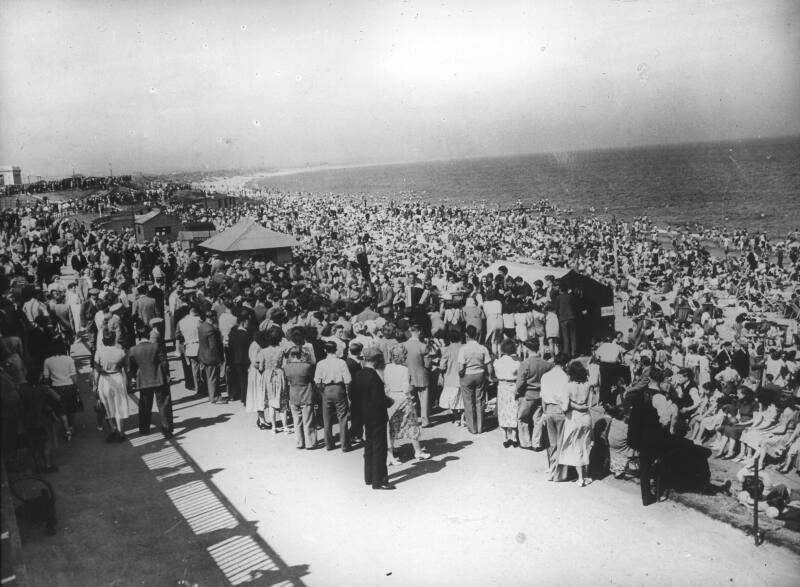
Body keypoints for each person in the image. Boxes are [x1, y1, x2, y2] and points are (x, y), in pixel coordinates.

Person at [353, 347, 395, 490]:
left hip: (364, 415)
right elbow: (378, 400)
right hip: (377, 416)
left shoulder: (358, 375)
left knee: (369, 446)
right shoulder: (374, 377)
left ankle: (369, 477)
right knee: (379, 447)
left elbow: (354, 397)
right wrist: (389, 401)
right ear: (377, 360)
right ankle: (380, 480)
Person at [384, 345, 430, 463]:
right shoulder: (405, 369)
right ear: (403, 356)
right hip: (403, 398)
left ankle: (390, 453)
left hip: (390, 397)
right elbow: (406, 387)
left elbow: (386, 385)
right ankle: (418, 451)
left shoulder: (387, 368)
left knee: (391, 426)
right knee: (411, 425)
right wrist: (410, 389)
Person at [128, 326, 173, 438]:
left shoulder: (133, 349)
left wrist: (134, 377)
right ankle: (167, 429)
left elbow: (130, 368)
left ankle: (144, 429)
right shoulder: (156, 346)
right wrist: (167, 375)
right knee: (163, 405)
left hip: (143, 381)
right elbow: (164, 362)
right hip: (159, 379)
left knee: (144, 405)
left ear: (138, 336)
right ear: (149, 335)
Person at [558, 360, 593, 486]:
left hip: (574, 418)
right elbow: (590, 404)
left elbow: (565, 406)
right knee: (586, 445)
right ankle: (587, 474)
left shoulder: (568, 386)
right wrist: (581, 406)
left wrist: (573, 405)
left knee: (576, 447)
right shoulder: (588, 385)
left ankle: (580, 477)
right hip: (586, 417)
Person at [313, 340, 352, 451]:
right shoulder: (341, 362)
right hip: (339, 388)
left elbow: (317, 380)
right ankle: (345, 445)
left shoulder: (321, 363)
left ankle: (329, 444)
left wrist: (322, 391)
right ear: (336, 350)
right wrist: (347, 391)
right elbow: (348, 380)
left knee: (327, 418)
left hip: (326, 389)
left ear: (325, 350)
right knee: (343, 417)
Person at [282, 331, 317, 449]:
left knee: (297, 421)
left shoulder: (287, 367)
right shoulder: (307, 366)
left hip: (293, 394)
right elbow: (312, 377)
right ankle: (310, 442)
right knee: (308, 420)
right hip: (306, 394)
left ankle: (299, 442)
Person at [93, 330, 130, 442]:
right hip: (118, 378)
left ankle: (113, 430)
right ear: (114, 339)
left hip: (104, 380)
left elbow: (96, 370)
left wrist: (95, 384)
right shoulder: (121, 352)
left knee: (107, 406)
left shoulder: (99, 352)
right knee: (119, 406)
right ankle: (121, 432)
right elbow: (127, 369)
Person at [515, 338, 551, 450]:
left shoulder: (525, 363)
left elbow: (520, 382)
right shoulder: (546, 364)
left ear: (527, 348)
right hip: (540, 395)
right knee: (538, 420)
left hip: (527, 395)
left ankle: (526, 443)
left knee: (522, 418)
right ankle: (537, 443)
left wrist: (516, 393)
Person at [457, 325, 492, 434]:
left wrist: (461, 374)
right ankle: (480, 427)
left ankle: (472, 428)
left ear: (466, 335)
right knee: (480, 400)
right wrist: (489, 376)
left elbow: (461, 367)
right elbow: (489, 366)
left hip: (467, 375)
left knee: (468, 402)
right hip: (480, 375)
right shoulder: (482, 348)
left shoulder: (463, 349)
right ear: (476, 334)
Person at [540, 353, 570, 481]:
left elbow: (542, 396)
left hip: (549, 409)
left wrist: (544, 412)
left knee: (552, 443)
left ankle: (552, 469)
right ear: (566, 364)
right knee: (561, 442)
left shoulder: (545, 376)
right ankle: (559, 473)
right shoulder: (566, 377)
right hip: (561, 410)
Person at [42, 341, 79, 441]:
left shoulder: (47, 361)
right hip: (70, 386)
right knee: (71, 408)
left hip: (56, 388)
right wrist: (76, 387)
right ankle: (71, 427)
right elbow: (73, 376)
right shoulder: (69, 359)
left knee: (62, 410)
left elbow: (46, 377)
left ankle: (67, 430)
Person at [403, 324, 431, 427]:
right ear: (419, 332)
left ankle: (412, 420)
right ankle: (425, 420)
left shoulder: (403, 345)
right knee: (424, 398)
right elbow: (427, 364)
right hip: (421, 374)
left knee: (410, 399)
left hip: (407, 375)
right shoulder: (423, 346)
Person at [494, 338, 521, 448]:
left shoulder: (497, 362)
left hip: (501, 386)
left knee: (502, 410)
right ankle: (514, 437)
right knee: (513, 410)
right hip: (512, 386)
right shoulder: (517, 363)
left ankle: (505, 437)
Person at [437, 330, 464, 425]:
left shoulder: (447, 350)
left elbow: (442, 366)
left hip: (450, 379)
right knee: (462, 400)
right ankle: (463, 416)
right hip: (462, 378)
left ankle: (457, 417)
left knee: (451, 400)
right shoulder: (463, 348)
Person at [197, 311, 225, 403]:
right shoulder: (211, 329)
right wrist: (219, 359)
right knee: (213, 378)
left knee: (209, 376)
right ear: (212, 317)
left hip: (203, 355)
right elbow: (213, 346)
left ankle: (213, 396)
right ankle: (213, 397)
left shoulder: (201, 326)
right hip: (211, 357)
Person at [227, 311, 252, 404]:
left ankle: (241, 396)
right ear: (244, 322)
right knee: (246, 380)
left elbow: (230, 349)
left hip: (236, 360)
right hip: (246, 360)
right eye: (247, 322)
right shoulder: (247, 334)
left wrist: (229, 362)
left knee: (240, 379)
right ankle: (245, 398)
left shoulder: (232, 334)